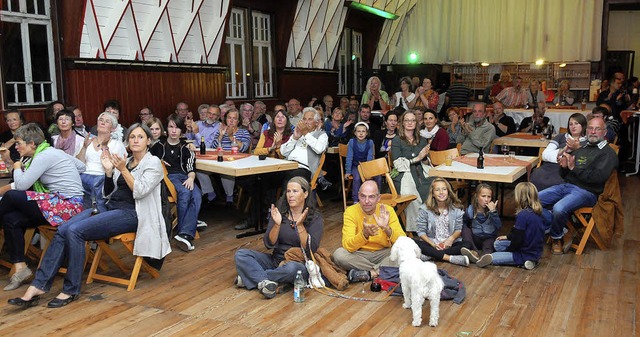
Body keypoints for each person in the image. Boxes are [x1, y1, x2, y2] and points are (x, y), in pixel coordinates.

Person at [8, 123, 170, 308]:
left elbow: (140, 191)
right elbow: (108, 193)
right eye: (132, 137)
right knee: (63, 229)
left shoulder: (153, 162)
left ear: (148, 141)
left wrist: (123, 170)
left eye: (140, 137)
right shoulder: (127, 160)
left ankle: (70, 289)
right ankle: (38, 286)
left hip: (132, 214)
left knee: (75, 231)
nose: (135, 140)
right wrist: (109, 172)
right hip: (110, 206)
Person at [0, 123, 85, 291]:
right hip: (57, 203)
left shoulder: (44, 156)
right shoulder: (50, 153)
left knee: (10, 196)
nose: (16, 147)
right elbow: (81, 167)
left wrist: (17, 166)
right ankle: (21, 268)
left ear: (32, 143)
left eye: (19, 143)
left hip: (66, 206)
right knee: (11, 219)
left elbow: (22, 185)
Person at [538, 117, 618, 255]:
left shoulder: (608, 153)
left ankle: (557, 238)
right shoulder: (583, 147)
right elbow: (565, 174)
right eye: (590, 128)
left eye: (597, 129)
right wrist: (563, 167)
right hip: (567, 186)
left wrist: (574, 168)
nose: (593, 132)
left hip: (587, 192)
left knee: (559, 208)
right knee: (531, 200)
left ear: (604, 132)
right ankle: (562, 229)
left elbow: (597, 178)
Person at [234, 177, 323, 299]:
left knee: (293, 269)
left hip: (297, 263)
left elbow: (310, 248)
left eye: (295, 191)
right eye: (288, 191)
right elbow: (268, 243)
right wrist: (277, 224)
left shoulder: (315, 218)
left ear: (306, 193)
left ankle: (252, 278)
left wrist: (301, 226)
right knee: (241, 255)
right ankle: (264, 282)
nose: (290, 195)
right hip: (275, 260)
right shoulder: (280, 213)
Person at [332, 180, 406, 282]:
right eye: (363, 196)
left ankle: (370, 273)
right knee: (339, 254)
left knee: (404, 251)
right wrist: (364, 234)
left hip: (383, 253)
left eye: (371, 197)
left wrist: (386, 228)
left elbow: (403, 241)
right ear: (358, 196)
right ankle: (380, 271)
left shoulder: (387, 210)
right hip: (359, 254)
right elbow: (347, 245)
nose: (366, 201)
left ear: (378, 198)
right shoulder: (350, 212)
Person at [150, 114, 200, 252]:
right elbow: (147, 159)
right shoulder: (159, 146)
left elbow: (191, 166)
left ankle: (184, 234)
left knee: (197, 195)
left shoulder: (186, 147)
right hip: (168, 178)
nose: (174, 130)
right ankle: (183, 231)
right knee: (185, 192)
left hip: (185, 176)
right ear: (166, 129)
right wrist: (158, 163)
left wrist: (191, 178)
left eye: (177, 128)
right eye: (171, 127)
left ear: (181, 131)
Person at [475, 182, 546, 270]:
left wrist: (509, 250)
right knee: (497, 244)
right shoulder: (537, 212)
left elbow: (517, 240)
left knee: (492, 257)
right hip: (534, 249)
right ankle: (531, 260)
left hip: (523, 252)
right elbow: (523, 233)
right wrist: (507, 237)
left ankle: (526, 261)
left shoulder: (523, 215)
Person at [414, 177, 472, 267]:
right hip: (431, 243)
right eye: (437, 190)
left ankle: (431, 256)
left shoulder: (456, 209)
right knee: (412, 242)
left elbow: (458, 229)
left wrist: (451, 239)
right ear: (432, 193)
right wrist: (433, 244)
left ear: (448, 192)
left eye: (444, 189)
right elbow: (421, 231)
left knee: (467, 245)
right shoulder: (424, 209)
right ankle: (450, 258)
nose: (441, 192)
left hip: (449, 244)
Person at [390, 110, 432, 232]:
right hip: (404, 173)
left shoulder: (422, 140)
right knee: (412, 194)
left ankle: (433, 226)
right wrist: (417, 158)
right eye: (407, 120)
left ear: (416, 123)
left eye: (413, 120)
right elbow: (397, 164)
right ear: (402, 123)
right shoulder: (397, 140)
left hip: (421, 170)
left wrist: (424, 158)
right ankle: (417, 229)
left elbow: (425, 161)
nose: (410, 123)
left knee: (437, 186)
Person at [77, 112, 128, 213]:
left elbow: (115, 167)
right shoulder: (87, 141)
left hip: (103, 180)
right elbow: (78, 164)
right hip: (84, 178)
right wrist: (84, 147)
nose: (103, 122)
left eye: (107, 121)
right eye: (101, 120)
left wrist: (105, 148)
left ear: (113, 128)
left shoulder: (117, 145)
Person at [530, 113, 587, 191]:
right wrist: (564, 151)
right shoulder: (561, 137)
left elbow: (583, 160)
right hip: (548, 167)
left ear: (583, 125)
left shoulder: (587, 142)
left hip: (565, 170)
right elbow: (545, 155)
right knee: (536, 174)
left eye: (576, 123)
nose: (573, 126)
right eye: (570, 124)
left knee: (560, 182)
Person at [212, 108, 250, 206]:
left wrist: (230, 137)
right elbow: (212, 148)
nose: (231, 121)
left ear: (238, 121)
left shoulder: (243, 132)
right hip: (219, 160)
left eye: (234, 118)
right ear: (225, 119)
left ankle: (229, 198)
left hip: (236, 161)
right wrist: (220, 137)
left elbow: (243, 148)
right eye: (229, 118)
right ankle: (210, 195)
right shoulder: (220, 131)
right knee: (200, 171)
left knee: (226, 169)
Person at [280, 107, 329, 185]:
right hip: (288, 165)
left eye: (310, 119)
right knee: (266, 177)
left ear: (316, 122)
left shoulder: (322, 135)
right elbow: (283, 152)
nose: (306, 122)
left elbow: (319, 149)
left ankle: (285, 197)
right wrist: (294, 138)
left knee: (290, 179)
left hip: (305, 169)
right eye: (304, 119)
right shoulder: (298, 133)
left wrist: (306, 134)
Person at [461, 183, 502, 258]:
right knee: (465, 230)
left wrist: (493, 212)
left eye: (489, 197)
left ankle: (486, 256)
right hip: (475, 238)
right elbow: (464, 223)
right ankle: (474, 252)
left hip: (489, 237)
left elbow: (498, 226)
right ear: (477, 196)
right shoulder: (470, 210)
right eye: (483, 196)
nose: (486, 200)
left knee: (488, 245)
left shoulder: (493, 210)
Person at [344, 122, 376, 204]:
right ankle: (356, 199)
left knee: (377, 177)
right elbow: (349, 157)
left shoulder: (370, 142)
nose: (361, 133)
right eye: (358, 131)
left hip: (366, 166)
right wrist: (348, 171)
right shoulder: (352, 142)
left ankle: (375, 197)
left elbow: (370, 158)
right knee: (357, 177)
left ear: (367, 133)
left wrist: (367, 171)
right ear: (355, 133)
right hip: (355, 166)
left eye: (363, 131)